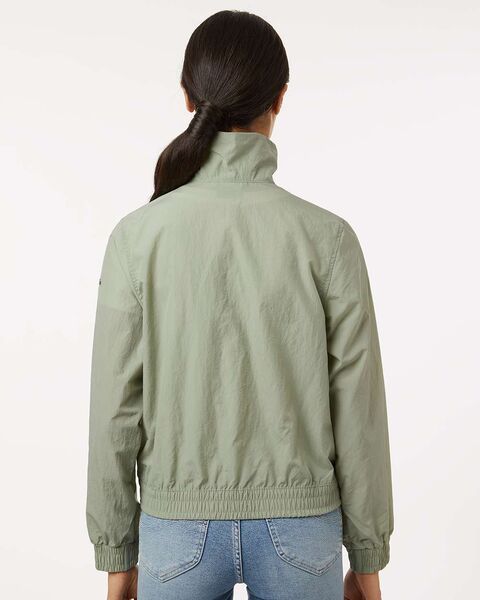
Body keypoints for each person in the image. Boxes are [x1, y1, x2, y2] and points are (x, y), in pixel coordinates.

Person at [86, 9, 394, 600]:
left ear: (187, 97)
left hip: (175, 529)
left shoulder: (136, 237)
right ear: (280, 99)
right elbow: (359, 410)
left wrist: (117, 559)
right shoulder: (329, 238)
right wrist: (368, 559)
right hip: (302, 527)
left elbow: (114, 411)